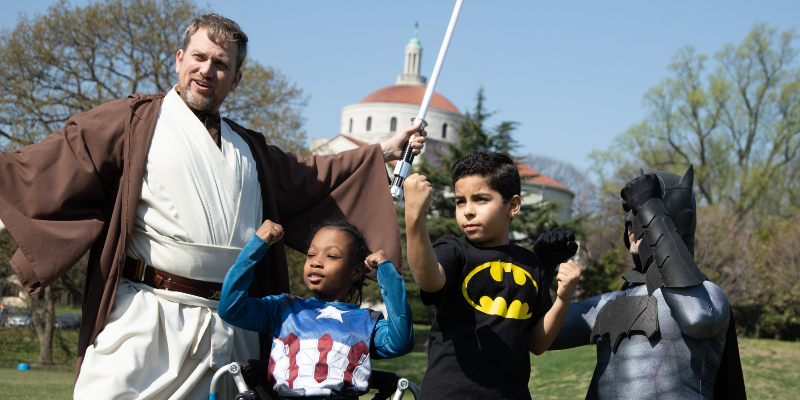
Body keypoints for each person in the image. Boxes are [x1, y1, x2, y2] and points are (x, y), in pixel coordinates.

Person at [0, 13, 425, 399]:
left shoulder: (252, 150)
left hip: (229, 325)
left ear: (235, 79)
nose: (207, 70)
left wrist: (383, 150)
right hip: (144, 313)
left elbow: (313, 176)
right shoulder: (129, 122)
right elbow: (50, 164)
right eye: (199, 57)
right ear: (180, 58)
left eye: (221, 64)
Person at [548, 166, 747, 399]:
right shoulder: (610, 303)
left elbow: (696, 317)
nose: (631, 230)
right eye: (629, 223)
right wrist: (541, 270)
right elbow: (539, 334)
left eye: (638, 219)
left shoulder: (708, 296)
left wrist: (650, 208)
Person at [402, 151, 581, 399]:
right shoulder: (453, 249)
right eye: (460, 201)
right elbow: (429, 280)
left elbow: (537, 345)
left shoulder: (531, 264)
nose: (468, 211)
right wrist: (413, 215)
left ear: (513, 205)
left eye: (481, 199)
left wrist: (563, 298)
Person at [218, 219, 414, 397]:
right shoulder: (283, 308)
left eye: (331, 256)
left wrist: (388, 275)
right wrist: (256, 246)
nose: (316, 261)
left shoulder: (367, 321)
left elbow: (400, 342)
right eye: (311, 254)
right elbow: (231, 309)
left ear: (356, 271)